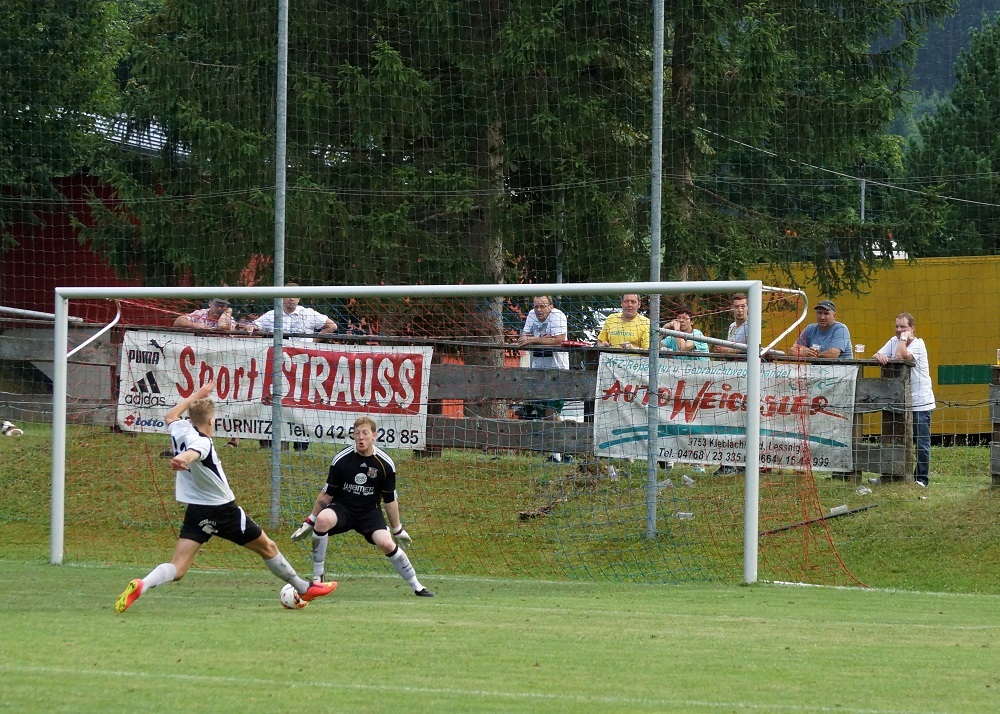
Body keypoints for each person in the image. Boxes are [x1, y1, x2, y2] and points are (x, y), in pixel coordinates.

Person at [114, 380, 337, 613]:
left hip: (197, 510)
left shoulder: (181, 428)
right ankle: (304, 587)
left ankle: (143, 584)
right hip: (223, 510)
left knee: (178, 569)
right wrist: (183, 459)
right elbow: (194, 452)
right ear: (212, 421)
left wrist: (196, 395)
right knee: (268, 547)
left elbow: (170, 415)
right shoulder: (203, 442)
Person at [290, 415, 434, 597]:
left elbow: (390, 500)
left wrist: (397, 530)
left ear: (374, 435)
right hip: (342, 508)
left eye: (365, 433)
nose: (361, 437)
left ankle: (417, 586)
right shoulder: (342, 460)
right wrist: (311, 520)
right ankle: (318, 579)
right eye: (357, 433)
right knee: (323, 519)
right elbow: (327, 493)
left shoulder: (385, 464)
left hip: (368, 512)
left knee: (386, 543)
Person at [873, 312, 935, 487]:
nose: (899, 330)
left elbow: (900, 356)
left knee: (921, 442)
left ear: (912, 329)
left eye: (903, 327)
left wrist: (902, 339)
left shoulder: (919, 344)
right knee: (894, 438)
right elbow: (876, 354)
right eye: (897, 326)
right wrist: (881, 356)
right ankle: (891, 475)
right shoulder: (893, 341)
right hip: (899, 401)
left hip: (920, 401)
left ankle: (921, 478)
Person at [517, 295, 570, 421]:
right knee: (540, 412)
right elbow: (524, 338)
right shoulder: (531, 314)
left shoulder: (558, 315)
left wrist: (535, 339)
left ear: (551, 307)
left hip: (557, 371)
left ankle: (559, 436)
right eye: (536, 306)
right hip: (537, 371)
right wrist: (545, 339)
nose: (538, 310)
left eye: (542, 306)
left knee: (551, 413)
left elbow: (559, 340)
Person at [250, 283, 337, 341]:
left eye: (294, 295)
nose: (291, 298)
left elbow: (332, 326)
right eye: (288, 295)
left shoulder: (308, 313)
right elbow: (253, 325)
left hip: (303, 356)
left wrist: (313, 340)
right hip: (277, 357)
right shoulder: (271, 315)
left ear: (299, 298)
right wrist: (251, 327)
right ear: (282, 297)